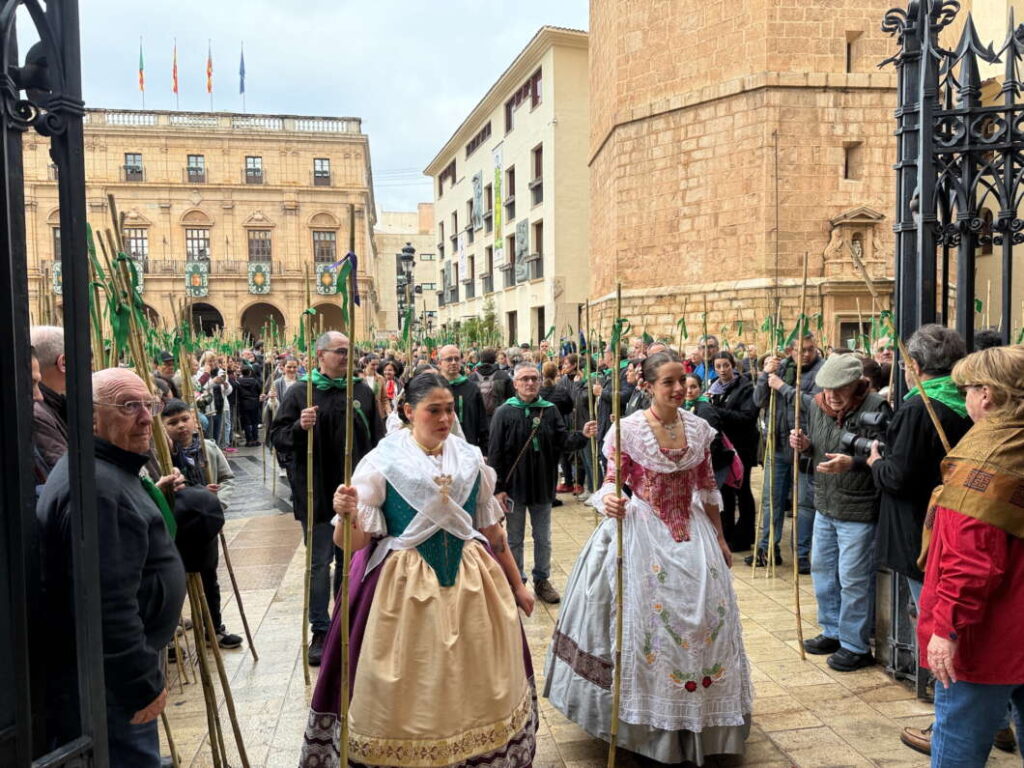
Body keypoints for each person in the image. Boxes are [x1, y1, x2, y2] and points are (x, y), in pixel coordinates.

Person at [299, 374, 537, 767]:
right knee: (414, 688)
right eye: (434, 410)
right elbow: (352, 544)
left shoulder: (469, 458)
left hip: (472, 583)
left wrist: (517, 586)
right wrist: (345, 515)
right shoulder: (382, 462)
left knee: (473, 682)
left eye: (449, 410)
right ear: (409, 411)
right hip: (400, 590)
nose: (445, 419)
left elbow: (493, 533)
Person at [544, 351, 752, 764]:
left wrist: (721, 538)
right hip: (641, 533)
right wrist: (610, 503)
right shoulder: (628, 430)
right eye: (668, 382)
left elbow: (709, 488)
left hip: (694, 539)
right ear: (649, 385)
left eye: (682, 380)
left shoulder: (698, 429)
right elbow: (609, 483)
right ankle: (647, 728)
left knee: (704, 623)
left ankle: (701, 721)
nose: (678, 389)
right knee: (645, 627)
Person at [37, 368, 186, 767]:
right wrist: (140, 684)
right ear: (90, 417)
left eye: (149, 405)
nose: (144, 417)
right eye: (128, 406)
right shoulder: (98, 489)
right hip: (112, 685)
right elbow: (107, 603)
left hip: (109, 676)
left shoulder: (104, 471)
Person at [912, 344, 1024, 766]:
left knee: (958, 744)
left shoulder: (985, 460)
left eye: (967, 390)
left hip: (987, 636)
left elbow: (970, 561)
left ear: (989, 395)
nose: (964, 400)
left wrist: (947, 630)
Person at [270, 331, 384, 665]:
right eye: (340, 351)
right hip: (317, 494)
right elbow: (277, 437)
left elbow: (378, 439)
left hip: (354, 495)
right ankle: (320, 628)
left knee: (350, 561)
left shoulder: (361, 390)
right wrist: (299, 428)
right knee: (320, 563)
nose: (347, 357)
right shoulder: (299, 393)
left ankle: (344, 621)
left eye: (351, 351)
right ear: (320, 355)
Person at [777, 354, 887, 671]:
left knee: (853, 578)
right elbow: (819, 448)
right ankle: (833, 630)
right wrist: (805, 444)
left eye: (840, 389)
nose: (833, 396)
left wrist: (851, 462)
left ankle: (855, 644)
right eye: (827, 389)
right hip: (824, 502)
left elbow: (884, 456)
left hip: (859, 506)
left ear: (857, 384)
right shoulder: (815, 405)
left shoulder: (876, 406)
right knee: (823, 571)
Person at [488, 362, 597, 604]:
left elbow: (562, 440)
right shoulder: (504, 412)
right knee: (514, 537)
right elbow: (494, 453)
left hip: (542, 484)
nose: (529, 383)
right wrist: (498, 489)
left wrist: (582, 435)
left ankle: (542, 579)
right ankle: (518, 581)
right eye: (524, 379)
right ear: (515, 383)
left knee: (543, 536)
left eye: (533, 379)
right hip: (514, 487)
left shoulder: (549, 410)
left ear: (539, 382)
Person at [161, 399, 242, 649]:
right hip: (175, 529)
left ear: (194, 419)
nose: (181, 426)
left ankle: (214, 628)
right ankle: (170, 638)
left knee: (210, 579)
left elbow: (228, 479)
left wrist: (215, 502)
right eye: (172, 423)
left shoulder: (208, 448)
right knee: (173, 582)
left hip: (205, 526)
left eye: (185, 419)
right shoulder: (163, 454)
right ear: (163, 427)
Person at [747, 334, 824, 571]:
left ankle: (801, 553)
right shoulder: (778, 369)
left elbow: (814, 404)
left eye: (810, 349)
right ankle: (768, 548)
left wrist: (784, 388)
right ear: (790, 350)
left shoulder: (821, 371)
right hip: (777, 444)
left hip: (804, 446)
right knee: (772, 500)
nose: (807, 354)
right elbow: (759, 401)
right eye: (801, 350)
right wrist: (764, 376)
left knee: (804, 503)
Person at [708, 351, 758, 551]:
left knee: (742, 490)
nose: (722, 370)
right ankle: (726, 533)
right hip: (722, 447)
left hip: (741, 447)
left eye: (725, 366)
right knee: (724, 491)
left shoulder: (745, 388)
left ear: (733, 366)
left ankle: (745, 535)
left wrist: (716, 411)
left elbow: (747, 417)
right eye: (718, 366)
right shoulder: (712, 387)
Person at [30, 325, 69, 474]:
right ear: (63, 362)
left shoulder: (57, 406)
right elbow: (64, 474)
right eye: (88, 364)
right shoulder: (38, 413)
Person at [438, 344, 489, 448]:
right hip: (440, 447)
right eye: (449, 359)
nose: (453, 362)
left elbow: (482, 422)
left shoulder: (472, 388)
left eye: (457, 359)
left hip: (468, 446)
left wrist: (484, 449)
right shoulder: (434, 388)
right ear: (440, 363)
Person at [469, 347, 514, 430]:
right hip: (501, 419)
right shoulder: (503, 376)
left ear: (481, 360)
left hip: (479, 421)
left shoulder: (472, 378)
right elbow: (512, 398)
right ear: (495, 359)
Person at [235, 364, 263, 446]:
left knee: (246, 422)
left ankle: (249, 440)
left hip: (244, 404)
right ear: (250, 372)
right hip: (254, 403)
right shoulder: (255, 381)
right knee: (254, 422)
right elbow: (259, 390)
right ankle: (255, 439)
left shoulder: (238, 381)